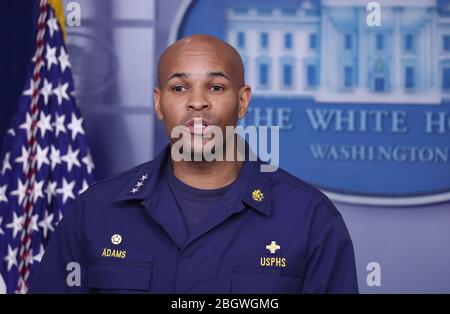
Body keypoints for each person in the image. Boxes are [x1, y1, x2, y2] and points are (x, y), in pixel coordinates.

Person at [29, 34, 358, 293]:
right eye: (179, 87)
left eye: (215, 87)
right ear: (159, 103)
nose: (197, 102)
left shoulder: (309, 218)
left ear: (242, 101)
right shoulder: (94, 212)